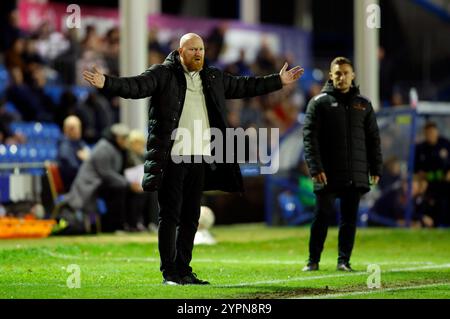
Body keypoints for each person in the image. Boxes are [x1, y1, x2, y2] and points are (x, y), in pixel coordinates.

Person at [83, 32, 304, 285]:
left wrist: (278, 80)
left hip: (200, 157)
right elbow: (136, 86)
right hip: (172, 157)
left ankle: (184, 270)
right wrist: (107, 83)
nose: (198, 53)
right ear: (180, 52)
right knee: (170, 215)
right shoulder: (163, 74)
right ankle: (169, 272)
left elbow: (246, 86)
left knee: (191, 216)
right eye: (192, 50)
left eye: (200, 49)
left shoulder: (212, 77)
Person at [302, 57, 382, 272]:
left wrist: (376, 168)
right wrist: (316, 168)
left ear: (353, 75)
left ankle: (343, 261)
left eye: (346, 73)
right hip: (327, 173)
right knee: (321, 218)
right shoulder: (319, 103)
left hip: (354, 173)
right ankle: (312, 261)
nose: (342, 77)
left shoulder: (363, 105)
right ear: (331, 75)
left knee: (349, 220)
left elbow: (373, 139)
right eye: (338, 73)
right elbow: (309, 138)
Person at [62, 123, 143, 232]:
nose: (126, 141)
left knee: (133, 189)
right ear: (117, 138)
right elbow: (106, 174)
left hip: (101, 183)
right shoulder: (104, 148)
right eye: (124, 138)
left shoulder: (118, 149)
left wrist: (131, 184)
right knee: (120, 189)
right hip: (90, 185)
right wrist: (128, 184)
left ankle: (133, 224)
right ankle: (115, 226)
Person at [414, 121, 450, 227]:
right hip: (429, 187)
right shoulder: (421, 148)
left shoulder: (446, 144)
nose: (430, 135)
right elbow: (416, 171)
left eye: (432, 132)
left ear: (436, 132)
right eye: (427, 133)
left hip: (446, 186)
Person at [56, 115, 90, 189]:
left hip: (82, 182)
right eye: (75, 128)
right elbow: (72, 168)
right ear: (67, 129)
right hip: (72, 186)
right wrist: (86, 162)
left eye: (79, 127)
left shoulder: (79, 142)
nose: (79, 130)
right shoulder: (64, 146)